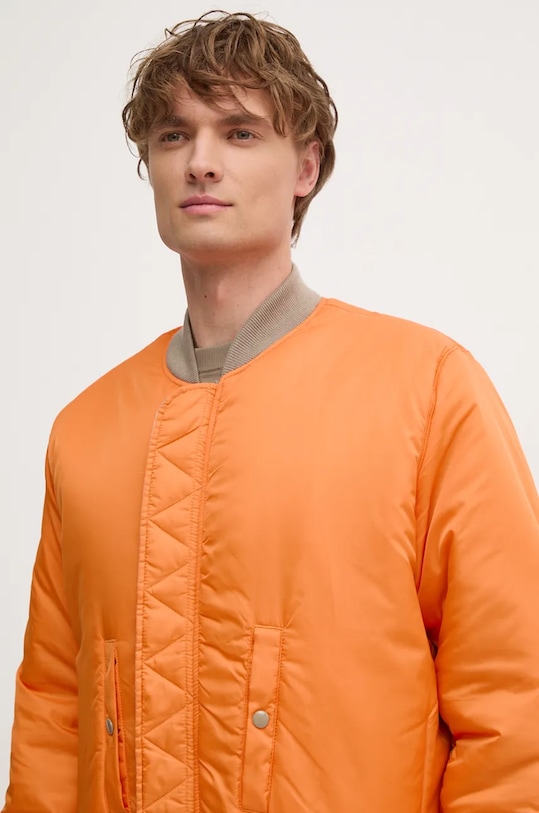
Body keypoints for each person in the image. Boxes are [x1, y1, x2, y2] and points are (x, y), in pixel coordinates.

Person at [3, 10, 539, 813]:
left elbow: (514, 699)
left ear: (305, 167)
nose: (201, 162)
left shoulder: (425, 389)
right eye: (174, 135)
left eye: (240, 133)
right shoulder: (85, 430)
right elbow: (52, 712)